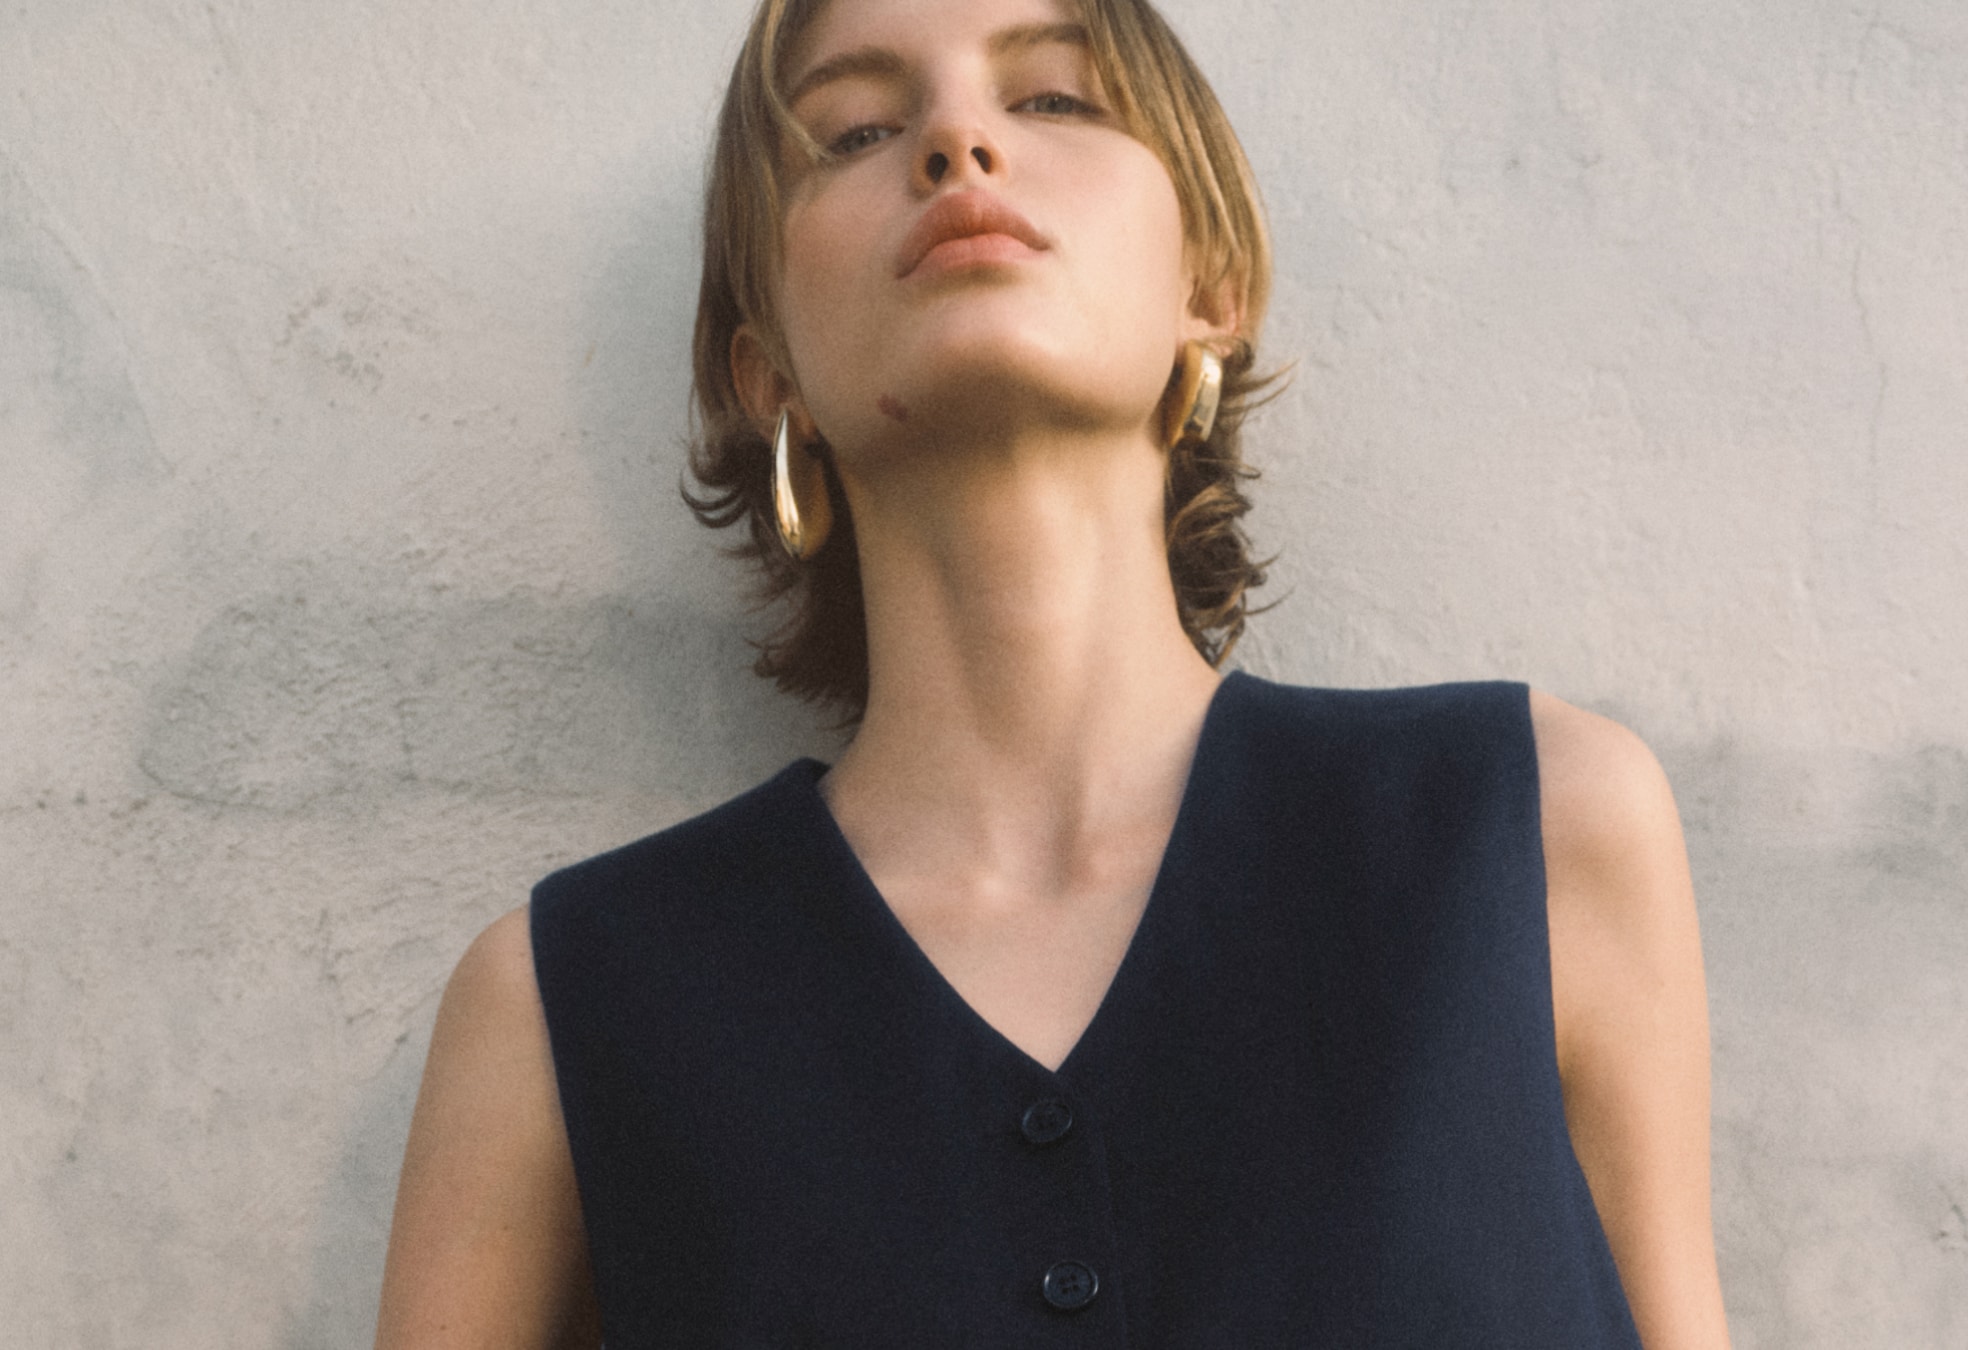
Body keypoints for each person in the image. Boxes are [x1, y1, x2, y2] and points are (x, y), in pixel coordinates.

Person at [375, 0, 1732, 1344]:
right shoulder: (566, 1010)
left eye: (1053, 99)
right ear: (764, 370)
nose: (957, 141)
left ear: (1211, 286)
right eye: (855, 131)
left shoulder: (1532, 832)